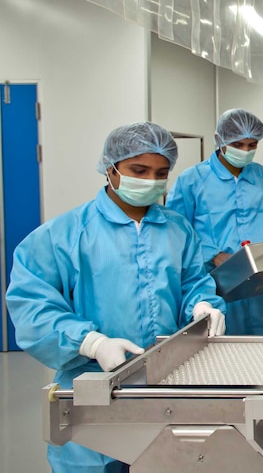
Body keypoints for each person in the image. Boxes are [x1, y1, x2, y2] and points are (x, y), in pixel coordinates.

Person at [6, 122, 226, 473]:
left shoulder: (177, 229)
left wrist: (203, 306)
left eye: (161, 172)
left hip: (166, 384)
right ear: (111, 168)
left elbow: (193, 283)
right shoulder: (65, 234)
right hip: (92, 390)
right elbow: (32, 306)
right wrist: (91, 343)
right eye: (139, 170)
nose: (151, 180)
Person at [167, 109, 263, 335]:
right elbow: (177, 231)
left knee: (262, 344)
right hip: (213, 282)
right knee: (219, 342)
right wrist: (212, 254)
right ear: (220, 141)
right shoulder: (192, 180)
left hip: (259, 283)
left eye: (251, 145)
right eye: (238, 145)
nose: (245, 151)